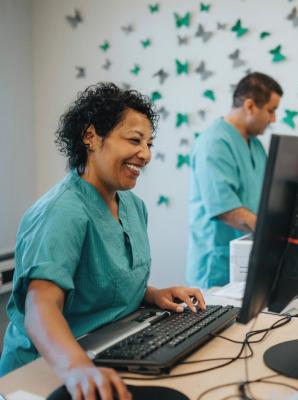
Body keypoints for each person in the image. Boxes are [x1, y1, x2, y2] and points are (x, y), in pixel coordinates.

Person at [0, 83, 206, 399]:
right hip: (45, 371)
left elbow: (101, 284)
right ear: (91, 136)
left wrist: (152, 295)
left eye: (149, 143)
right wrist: (76, 367)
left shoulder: (134, 207)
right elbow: (41, 306)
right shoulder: (61, 212)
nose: (146, 154)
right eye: (135, 141)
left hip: (109, 350)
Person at [187, 72, 283, 288]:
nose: (273, 119)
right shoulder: (214, 142)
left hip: (248, 259)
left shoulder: (256, 146)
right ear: (250, 106)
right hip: (217, 267)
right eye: (271, 110)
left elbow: (270, 196)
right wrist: (278, 233)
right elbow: (227, 210)